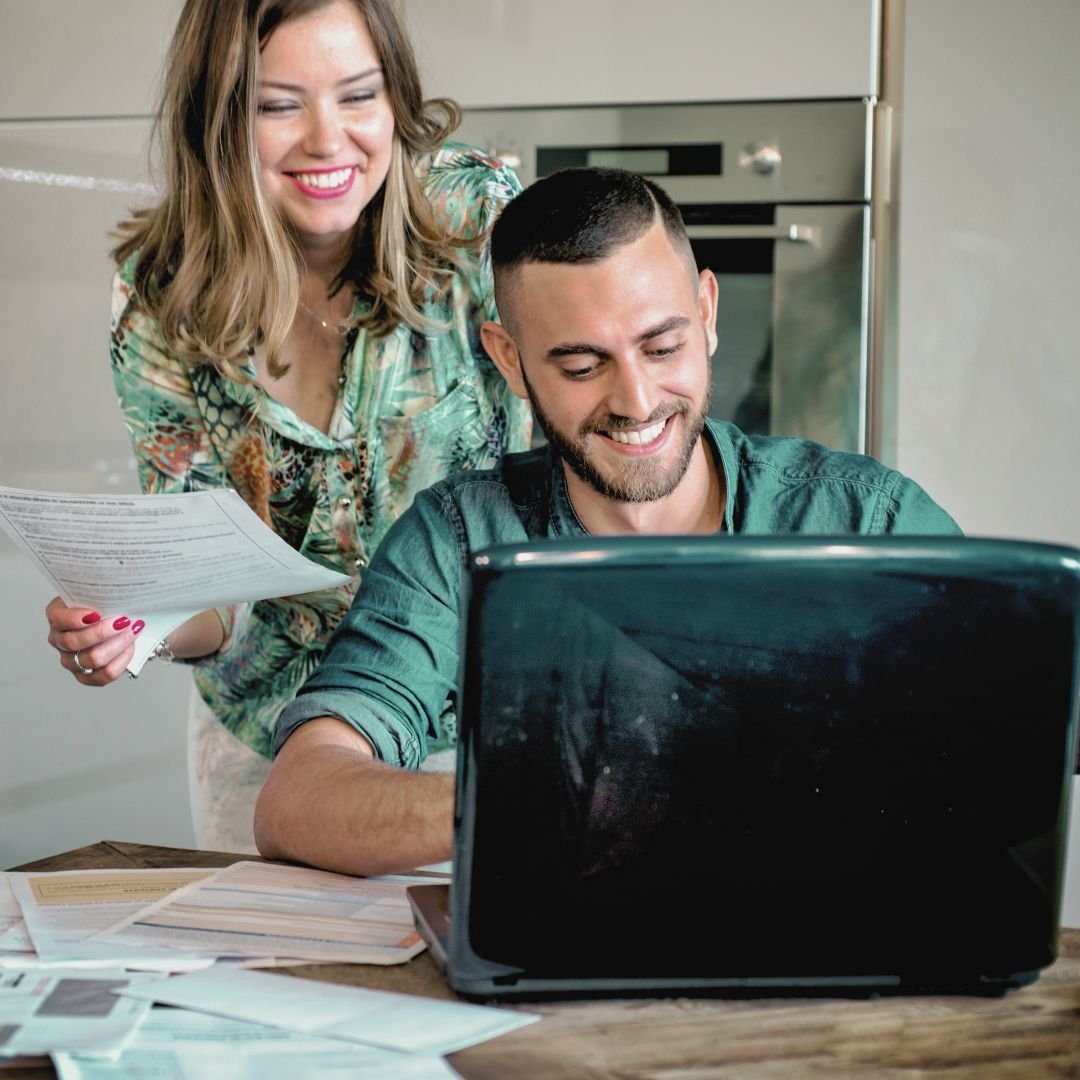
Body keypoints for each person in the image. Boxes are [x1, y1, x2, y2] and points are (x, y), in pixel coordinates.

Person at [253, 166, 961, 876]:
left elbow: (1020, 729)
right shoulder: (457, 539)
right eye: (583, 366)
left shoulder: (868, 517)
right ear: (509, 359)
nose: (637, 400)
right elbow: (297, 797)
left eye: (662, 348)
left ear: (707, 313)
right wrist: (537, 799)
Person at [42, 0, 530, 852]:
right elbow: (210, 587)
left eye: (357, 95)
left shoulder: (474, 221)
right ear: (219, 118)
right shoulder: (162, 293)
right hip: (268, 748)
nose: (326, 140)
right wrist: (133, 624)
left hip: (484, 731)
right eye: (277, 104)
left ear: (396, 98)